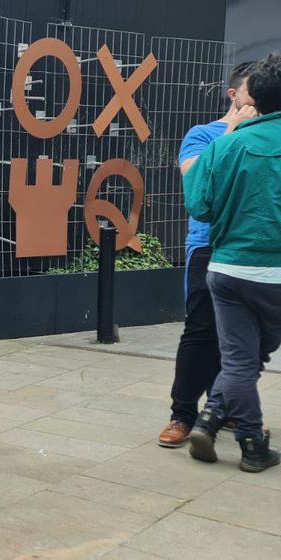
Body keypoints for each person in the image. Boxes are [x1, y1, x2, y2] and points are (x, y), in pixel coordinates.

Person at [184, 52, 281, 473]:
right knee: (255, 356)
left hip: (226, 269)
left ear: (252, 96)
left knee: (241, 358)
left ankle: (219, 421)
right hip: (275, 272)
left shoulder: (225, 144)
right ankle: (248, 441)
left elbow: (200, 207)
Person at [158, 61, 258, 447]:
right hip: (208, 244)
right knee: (201, 330)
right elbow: (195, 179)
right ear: (233, 94)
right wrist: (234, 130)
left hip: (251, 246)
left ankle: (229, 409)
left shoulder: (268, 135)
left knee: (244, 337)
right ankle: (182, 413)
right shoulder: (202, 134)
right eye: (253, 90)